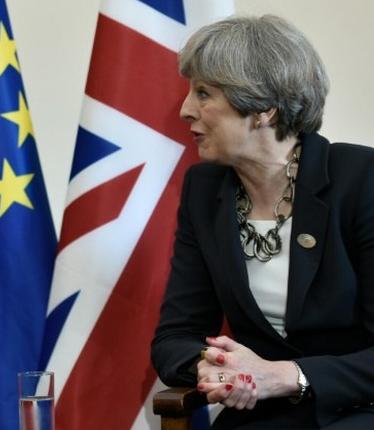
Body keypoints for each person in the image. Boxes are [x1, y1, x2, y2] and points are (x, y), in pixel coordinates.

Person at [151, 14, 374, 429]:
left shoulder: (361, 180)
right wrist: (219, 366)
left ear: (264, 109)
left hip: (356, 411)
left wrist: (289, 375)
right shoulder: (204, 190)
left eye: (203, 94)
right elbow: (174, 338)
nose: (185, 110)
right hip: (259, 418)